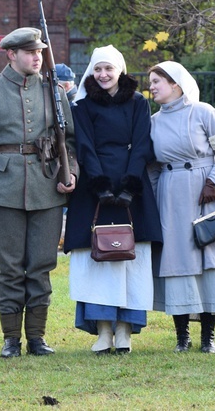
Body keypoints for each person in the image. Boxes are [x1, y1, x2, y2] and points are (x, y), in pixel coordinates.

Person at [0, 27, 77, 358]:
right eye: (29, 52)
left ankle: (37, 338)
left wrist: (69, 171)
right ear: (11, 54)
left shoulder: (53, 92)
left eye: (39, 52)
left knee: (42, 263)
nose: (36, 57)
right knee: (10, 266)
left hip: (46, 185)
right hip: (4, 187)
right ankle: (11, 338)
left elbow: (69, 140)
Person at [63, 45, 162, 354]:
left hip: (132, 190)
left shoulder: (137, 103)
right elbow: (85, 146)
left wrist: (130, 185)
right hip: (93, 191)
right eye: (97, 69)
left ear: (120, 70)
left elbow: (143, 143)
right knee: (96, 261)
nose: (103, 74)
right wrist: (100, 184)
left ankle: (125, 332)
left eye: (108, 68)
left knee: (131, 260)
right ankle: (103, 331)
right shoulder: (81, 106)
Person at [147, 61, 215, 353]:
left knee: (209, 261)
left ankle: (208, 337)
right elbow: (152, 166)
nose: (152, 86)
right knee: (178, 262)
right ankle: (182, 336)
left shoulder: (205, 112)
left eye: (158, 81)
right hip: (171, 197)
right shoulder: (152, 122)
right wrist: (156, 199)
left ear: (176, 84)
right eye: (151, 81)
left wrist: (213, 182)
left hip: (207, 195)